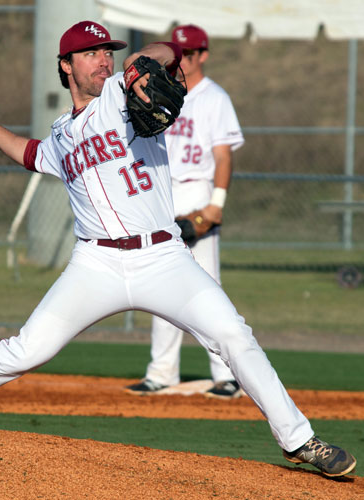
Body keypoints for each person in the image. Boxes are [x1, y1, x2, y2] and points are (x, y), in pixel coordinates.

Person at [0, 20, 356, 478]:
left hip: (163, 256)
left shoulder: (122, 93)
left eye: (107, 51)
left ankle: (300, 441)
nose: (103, 59)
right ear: (65, 65)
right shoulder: (60, 133)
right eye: (90, 52)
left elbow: (168, 51)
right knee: (28, 349)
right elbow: (29, 154)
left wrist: (146, 59)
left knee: (233, 334)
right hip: (95, 262)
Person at [124, 24, 246, 400]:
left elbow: (222, 155)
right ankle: (161, 372)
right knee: (162, 287)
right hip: (162, 193)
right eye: (178, 54)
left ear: (203, 55)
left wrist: (216, 205)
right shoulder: (161, 91)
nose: (183, 60)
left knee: (208, 288)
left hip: (196, 191)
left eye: (189, 54)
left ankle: (227, 374)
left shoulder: (215, 98)